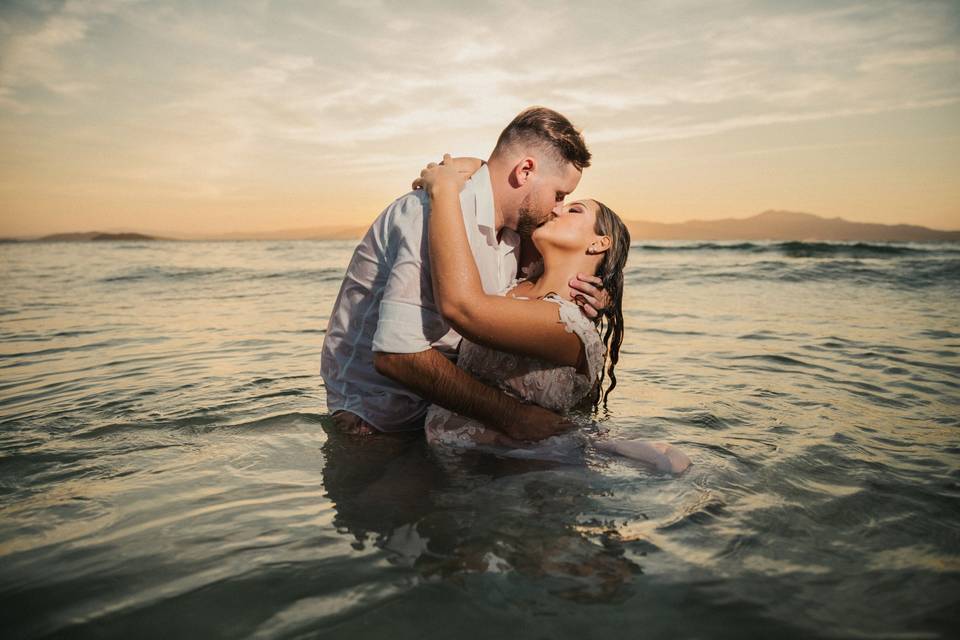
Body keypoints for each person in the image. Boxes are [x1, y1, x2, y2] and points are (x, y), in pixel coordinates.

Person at [321, 107, 606, 441]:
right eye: (559, 194)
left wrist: (592, 296)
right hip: (378, 427)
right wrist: (513, 416)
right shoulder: (429, 211)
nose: (558, 208)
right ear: (526, 170)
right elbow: (397, 356)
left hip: (448, 425)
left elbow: (548, 300)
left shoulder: (520, 235)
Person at [415, 157, 691, 474]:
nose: (556, 208)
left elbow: (462, 307)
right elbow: (512, 177)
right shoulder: (512, 282)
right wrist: (480, 165)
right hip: (450, 467)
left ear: (599, 243)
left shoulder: (569, 326)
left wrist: (445, 193)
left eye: (574, 209)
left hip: (515, 488)